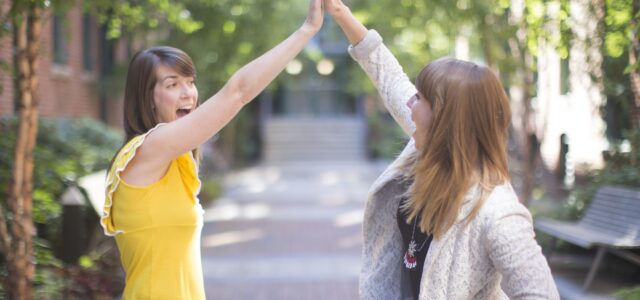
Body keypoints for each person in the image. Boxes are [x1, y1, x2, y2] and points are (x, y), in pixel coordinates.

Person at [324, 0, 560, 299]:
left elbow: (541, 294)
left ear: (447, 121)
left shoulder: (496, 211)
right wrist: (339, 12)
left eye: (420, 98)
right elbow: (388, 76)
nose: (410, 101)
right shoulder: (428, 149)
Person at [99, 1, 324, 299]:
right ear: (148, 97)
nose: (187, 93)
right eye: (172, 84)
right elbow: (238, 92)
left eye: (190, 82)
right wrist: (307, 30)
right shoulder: (150, 148)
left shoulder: (173, 155)